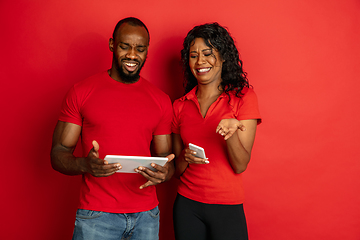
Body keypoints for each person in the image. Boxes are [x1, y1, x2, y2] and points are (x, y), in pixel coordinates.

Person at [51, 17, 174, 240]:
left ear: (147, 51)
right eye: (124, 46)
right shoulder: (81, 92)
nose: (132, 55)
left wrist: (165, 172)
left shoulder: (161, 100)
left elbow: (166, 157)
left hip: (146, 215)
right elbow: (58, 152)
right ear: (111, 45)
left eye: (140, 49)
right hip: (96, 216)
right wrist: (84, 164)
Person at [172, 22, 261, 240]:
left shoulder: (244, 98)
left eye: (208, 53)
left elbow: (240, 165)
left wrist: (230, 133)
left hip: (227, 206)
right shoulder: (180, 105)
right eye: (193, 55)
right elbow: (176, 169)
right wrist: (185, 157)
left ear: (222, 57)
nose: (200, 61)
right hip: (187, 206)